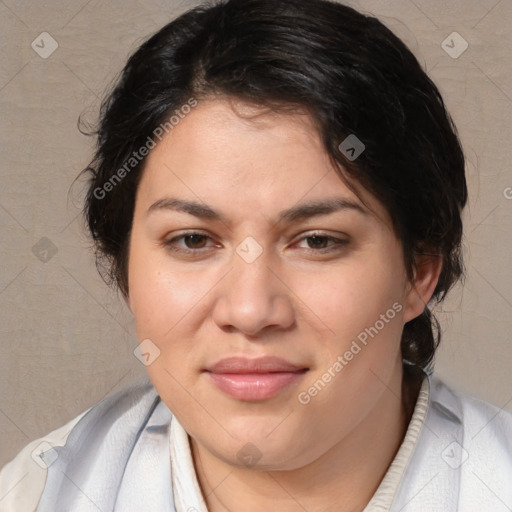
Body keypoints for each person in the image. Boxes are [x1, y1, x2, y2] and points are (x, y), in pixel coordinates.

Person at [1, 0, 511, 510]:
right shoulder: (35, 493)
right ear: (124, 265)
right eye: (193, 240)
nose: (249, 312)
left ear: (419, 270)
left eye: (317, 241)